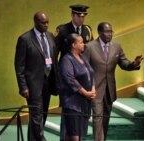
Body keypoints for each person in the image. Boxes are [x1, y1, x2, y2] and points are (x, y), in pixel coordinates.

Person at [83, 22, 143, 141]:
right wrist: (88, 87)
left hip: (109, 90)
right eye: (107, 31)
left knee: (105, 118)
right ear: (100, 33)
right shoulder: (89, 47)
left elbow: (124, 63)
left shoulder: (117, 46)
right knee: (98, 118)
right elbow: (84, 68)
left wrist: (134, 64)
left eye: (111, 31)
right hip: (95, 89)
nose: (110, 34)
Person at [14, 11, 59, 141]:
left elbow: (53, 59)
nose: (46, 25)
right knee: (36, 114)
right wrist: (23, 87)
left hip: (48, 81)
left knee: (42, 113)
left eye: (47, 22)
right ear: (35, 22)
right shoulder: (25, 39)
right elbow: (19, 66)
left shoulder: (50, 36)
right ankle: (41, 139)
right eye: (43, 23)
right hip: (33, 84)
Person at [55, 4, 94, 140]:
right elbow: (55, 55)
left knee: (81, 125)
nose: (81, 19)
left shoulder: (87, 30)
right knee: (69, 124)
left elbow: (90, 54)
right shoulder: (62, 30)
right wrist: (57, 79)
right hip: (69, 83)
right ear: (72, 15)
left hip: (84, 80)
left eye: (84, 16)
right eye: (79, 16)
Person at [59, 33, 96, 141]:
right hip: (72, 103)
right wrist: (85, 92)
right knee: (73, 135)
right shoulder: (66, 59)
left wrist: (93, 89)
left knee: (78, 135)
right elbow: (70, 79)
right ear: (74, 45)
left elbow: (91, 73)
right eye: (81, 42)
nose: (84, 44)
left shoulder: (82, 57)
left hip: (84, 102)